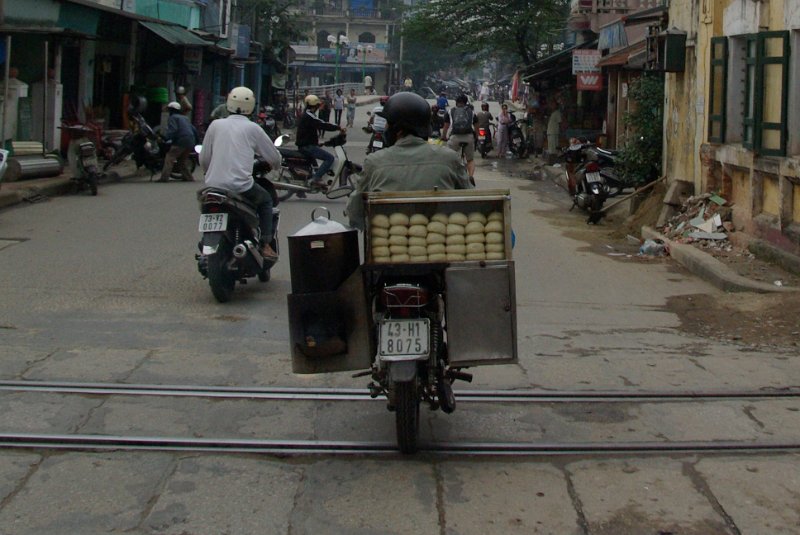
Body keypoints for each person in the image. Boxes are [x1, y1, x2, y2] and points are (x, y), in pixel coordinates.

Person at [346, 92, 472, 229]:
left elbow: (355, 210)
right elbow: (470, 201)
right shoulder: (450, 158)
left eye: (388, 124)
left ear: (397, 130)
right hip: (442, 243)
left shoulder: (374, 162)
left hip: (388, 244)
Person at [199, 87, 281, 260]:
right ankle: (265, 244)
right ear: (251, 106)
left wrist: (210, 173)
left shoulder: (215, 125)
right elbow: (274, 158)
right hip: (241, 186)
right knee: (266, 201)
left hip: (213, 186)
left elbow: (204, 158)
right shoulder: (253, 128)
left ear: (228, 103)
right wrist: (276, 165)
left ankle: (205, 240)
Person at [296, 94, 345, 188]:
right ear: (316, 106)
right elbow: (322, 124)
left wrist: (319, 143)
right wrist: (338, 128)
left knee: (314, 167)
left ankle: (304, 187)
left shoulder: (307, 114)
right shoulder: (309, 116)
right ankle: (316, 179)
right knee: (329, 158)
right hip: (307, 146)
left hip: (306, 144)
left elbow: (308, 132)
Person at [441, 93, 478, 180]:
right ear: (466, 102)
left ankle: (450, 176)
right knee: (470, 160)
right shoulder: (471, 112)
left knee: (449, 157)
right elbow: (476, 126)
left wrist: (443, 136)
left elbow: (446, 126)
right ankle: (471, 176)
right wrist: (476, 136)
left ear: (456, 102)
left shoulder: (451, 111)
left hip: (455, 137)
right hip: (469, 137)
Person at [158, 101, 196, 183]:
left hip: (181, 141)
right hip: (190, 141)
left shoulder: (173, 118)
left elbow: (173, 130)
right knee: (181, 161)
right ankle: (188, 177)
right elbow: (193, 129)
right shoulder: (185, 118)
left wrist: (166, 138)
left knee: (169, 157)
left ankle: (164, 178)